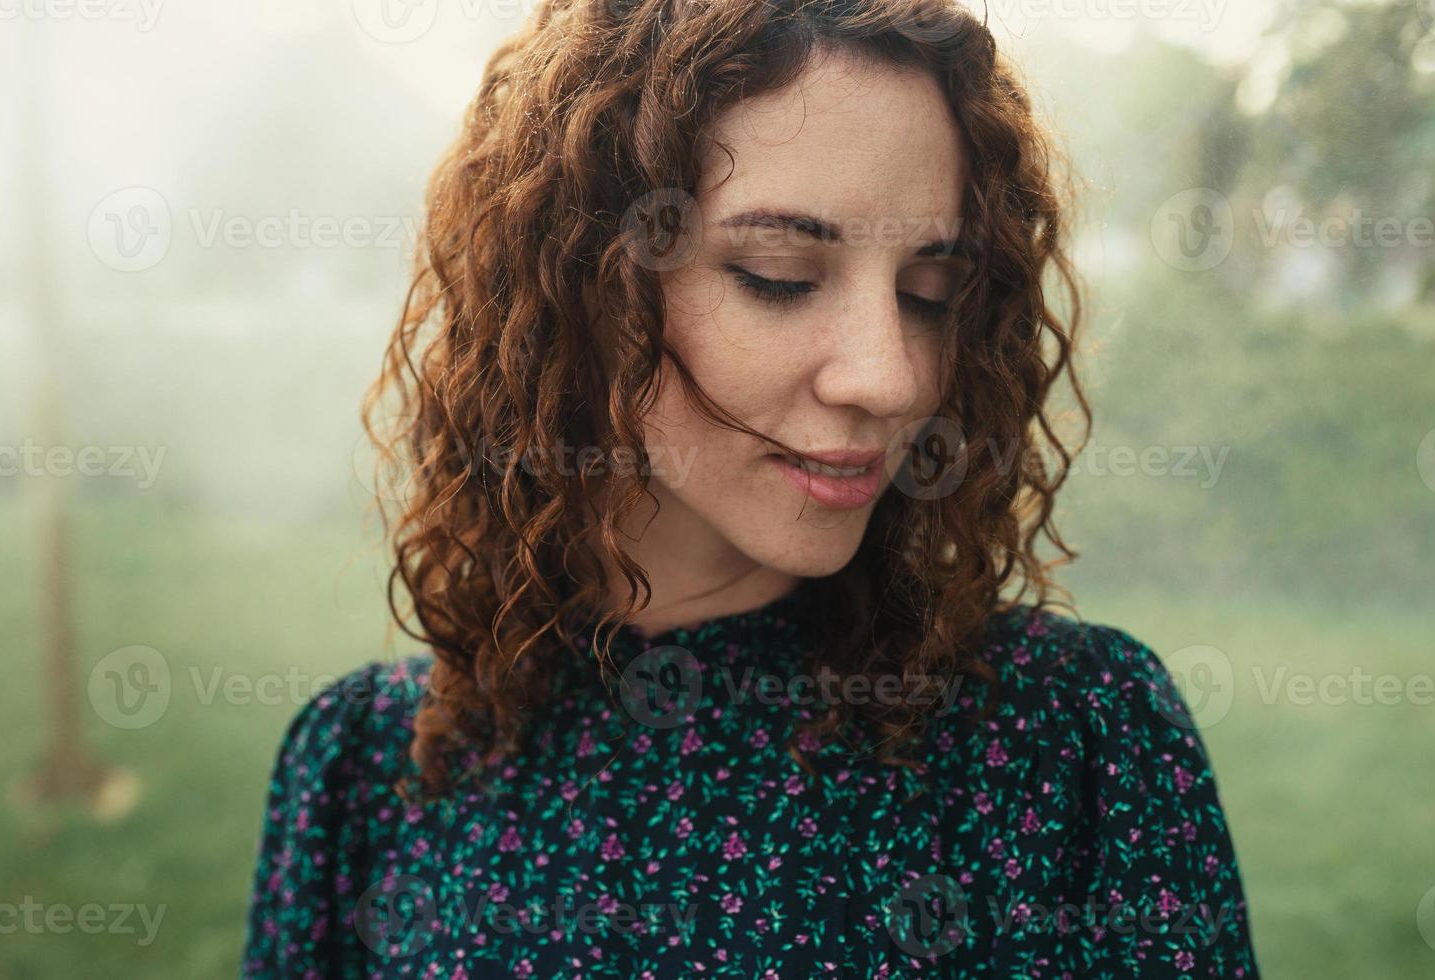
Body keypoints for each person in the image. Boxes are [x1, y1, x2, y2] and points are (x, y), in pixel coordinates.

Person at [241, 0, 1260, 975]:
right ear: (580, 283)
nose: (891, 376)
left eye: (929, 292)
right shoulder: (369, 765)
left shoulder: (1070, 741)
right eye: (779, 274)